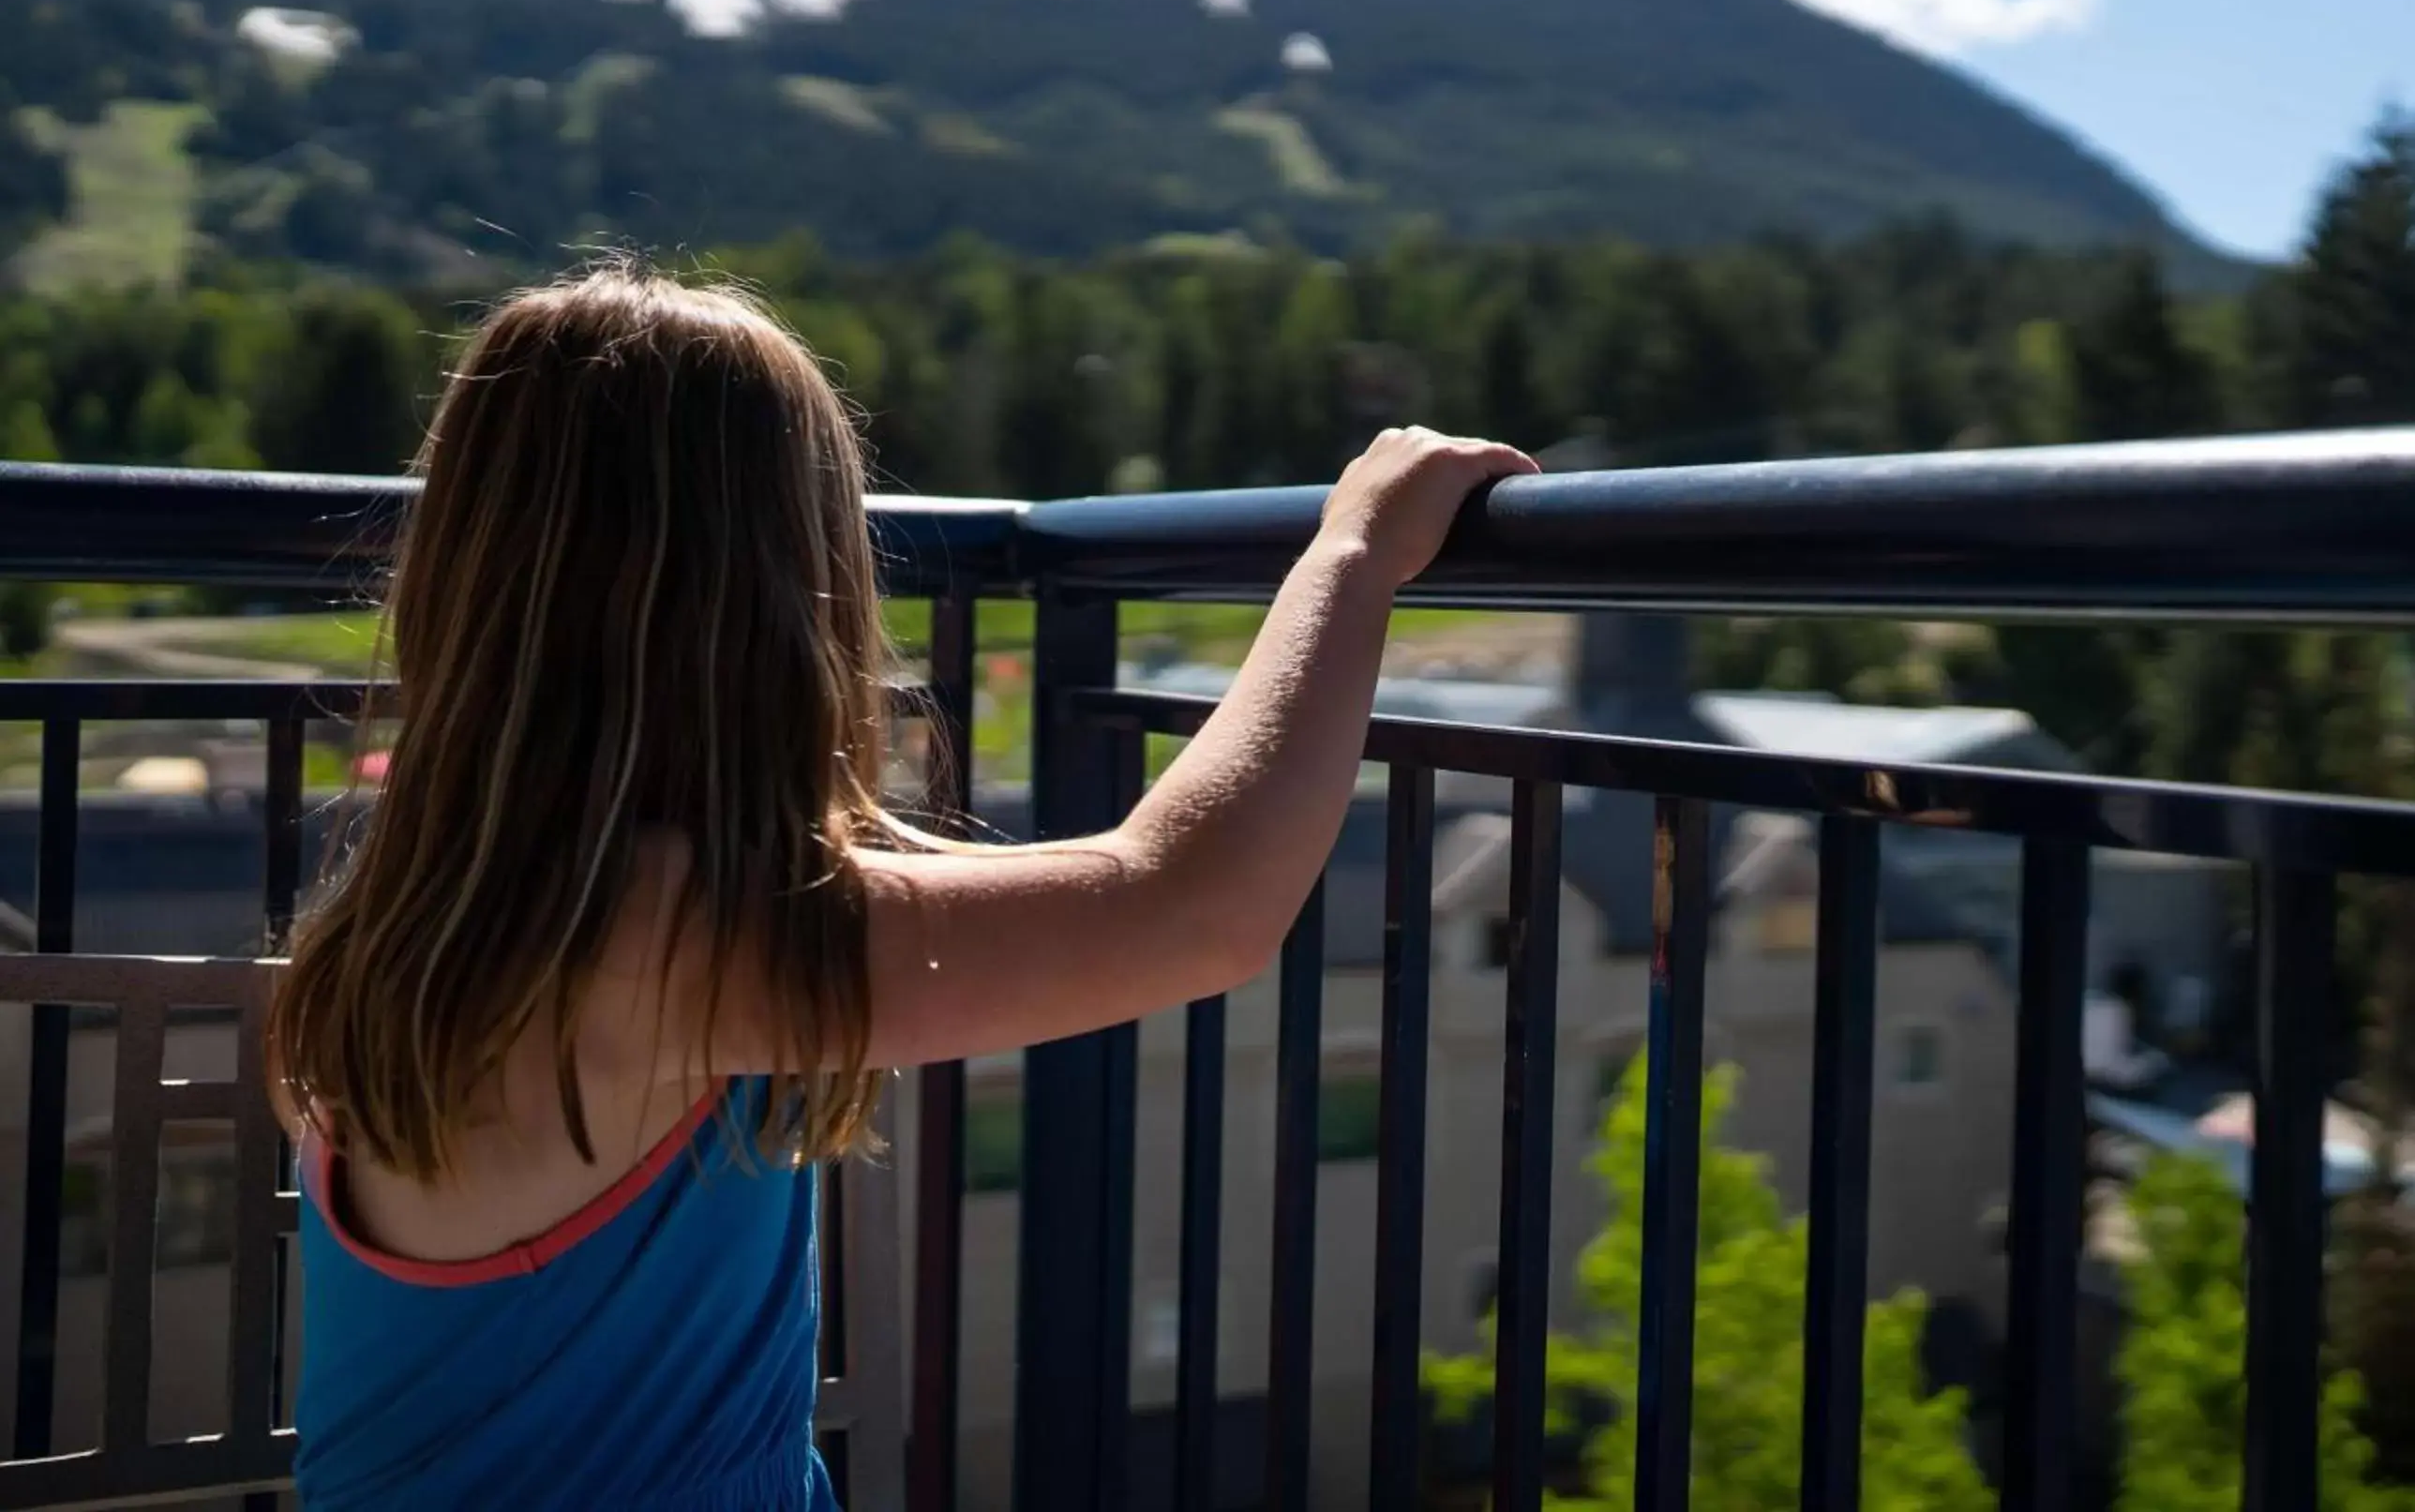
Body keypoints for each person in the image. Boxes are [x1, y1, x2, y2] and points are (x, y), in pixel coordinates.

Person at [265, 260, 1534, 1509]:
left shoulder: (420, 919)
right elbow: (1188, 907)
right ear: (774, 584)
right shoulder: (645, 950)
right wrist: (1354, 554)